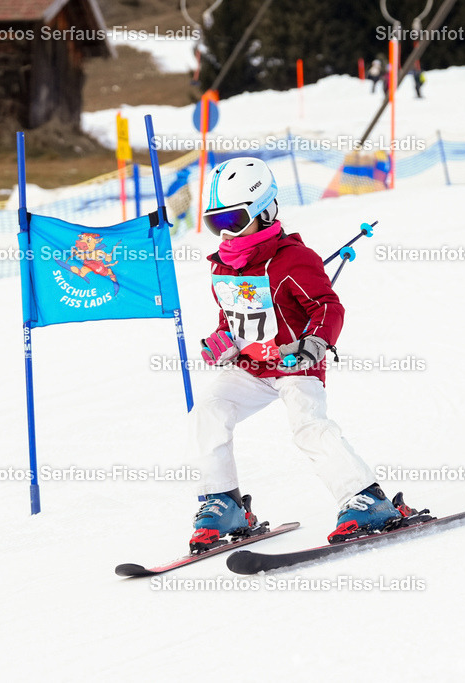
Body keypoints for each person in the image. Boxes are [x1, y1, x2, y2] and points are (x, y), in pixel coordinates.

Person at [189, 157, 409, 552]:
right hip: (252, 367)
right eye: (215, 224)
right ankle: (223, 502)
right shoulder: (222, 266)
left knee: (307, 425)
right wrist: (221, 339)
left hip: (294, 364)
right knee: (209, 408)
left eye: (233, 222)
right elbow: (232, 317)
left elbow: (327, 307)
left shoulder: (293, 259)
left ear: (264, 211)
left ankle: (365, 498)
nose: (225, 235)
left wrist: (314, 343)